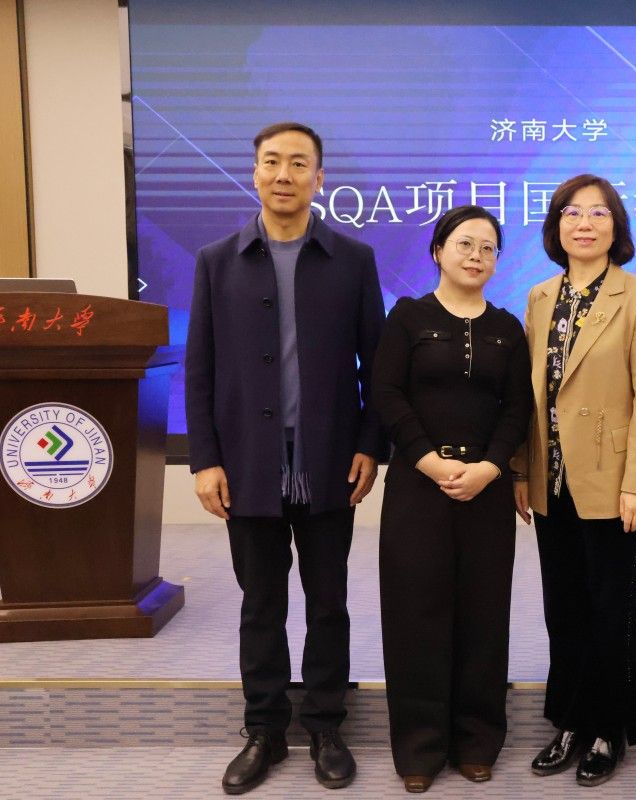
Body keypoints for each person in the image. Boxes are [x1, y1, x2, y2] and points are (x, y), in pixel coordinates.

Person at [186, 121, 387, 794]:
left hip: (329, 462)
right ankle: (264, 729)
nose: (283, 175)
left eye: (299, 164)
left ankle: (326, 724)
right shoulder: (217, 261)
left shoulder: (352, 260)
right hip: (248, 465)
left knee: (329, 601)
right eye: (271, 162)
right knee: (260, 604)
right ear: (254, 173)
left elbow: (377, 367)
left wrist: (370, 445)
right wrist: (205, 460)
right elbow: (199, 369)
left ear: (318, 178)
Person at [512, 174, 636, 787]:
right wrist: (522, 471)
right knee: (564, 608)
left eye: (598, 213)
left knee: (611, 609)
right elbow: (532, 395)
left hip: (617, 481)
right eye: (572, 213)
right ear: (556, 226)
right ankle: (570, 722)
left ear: (616, 227)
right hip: (551, 480)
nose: (584, 223)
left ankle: (609, 729)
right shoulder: (539, 297)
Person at [371, 206, 532, 793]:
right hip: (419, 487)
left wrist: (491, 467)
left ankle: (476, 741)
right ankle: (419, 748)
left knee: (483, 617)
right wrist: (429, 460)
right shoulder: (408, 317)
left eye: (488, 248)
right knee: (416, 616)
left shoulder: (508, 328)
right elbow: (386, 392)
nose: (476, 256)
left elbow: (518, 407)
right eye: (465, 244)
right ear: (438, 251)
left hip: (486, 491)